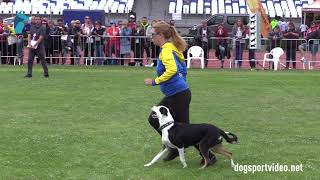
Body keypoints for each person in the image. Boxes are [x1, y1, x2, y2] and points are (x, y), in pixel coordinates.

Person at [144, 21, 216, 165]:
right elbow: (182, 68)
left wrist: (155, 81)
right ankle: (205, 155)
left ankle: (176, 147)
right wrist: (182, 80)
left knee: (154, 118)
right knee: (185, 127)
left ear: (161, 35)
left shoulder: (166, 50)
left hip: (177, 95)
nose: (151, 38)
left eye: (153, 35)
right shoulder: (171, 47)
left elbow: (173, 70)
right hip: (179, 93)